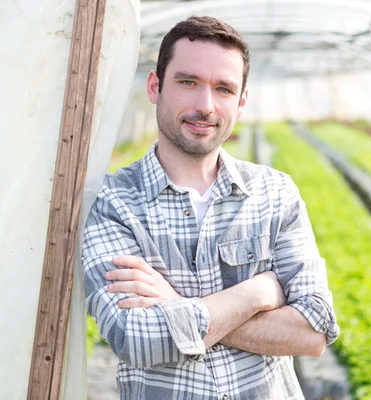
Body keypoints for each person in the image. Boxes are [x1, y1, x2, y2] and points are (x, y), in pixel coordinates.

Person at [83, 16, 339, 400]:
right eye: (188, 82)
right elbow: (135, 339)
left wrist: (175, 305)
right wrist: (256, 294)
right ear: (155, 87)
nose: (205, 106)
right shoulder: (111, 201)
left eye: (223, 89)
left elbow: (313, 332)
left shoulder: (275, 192)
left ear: (241, 101)